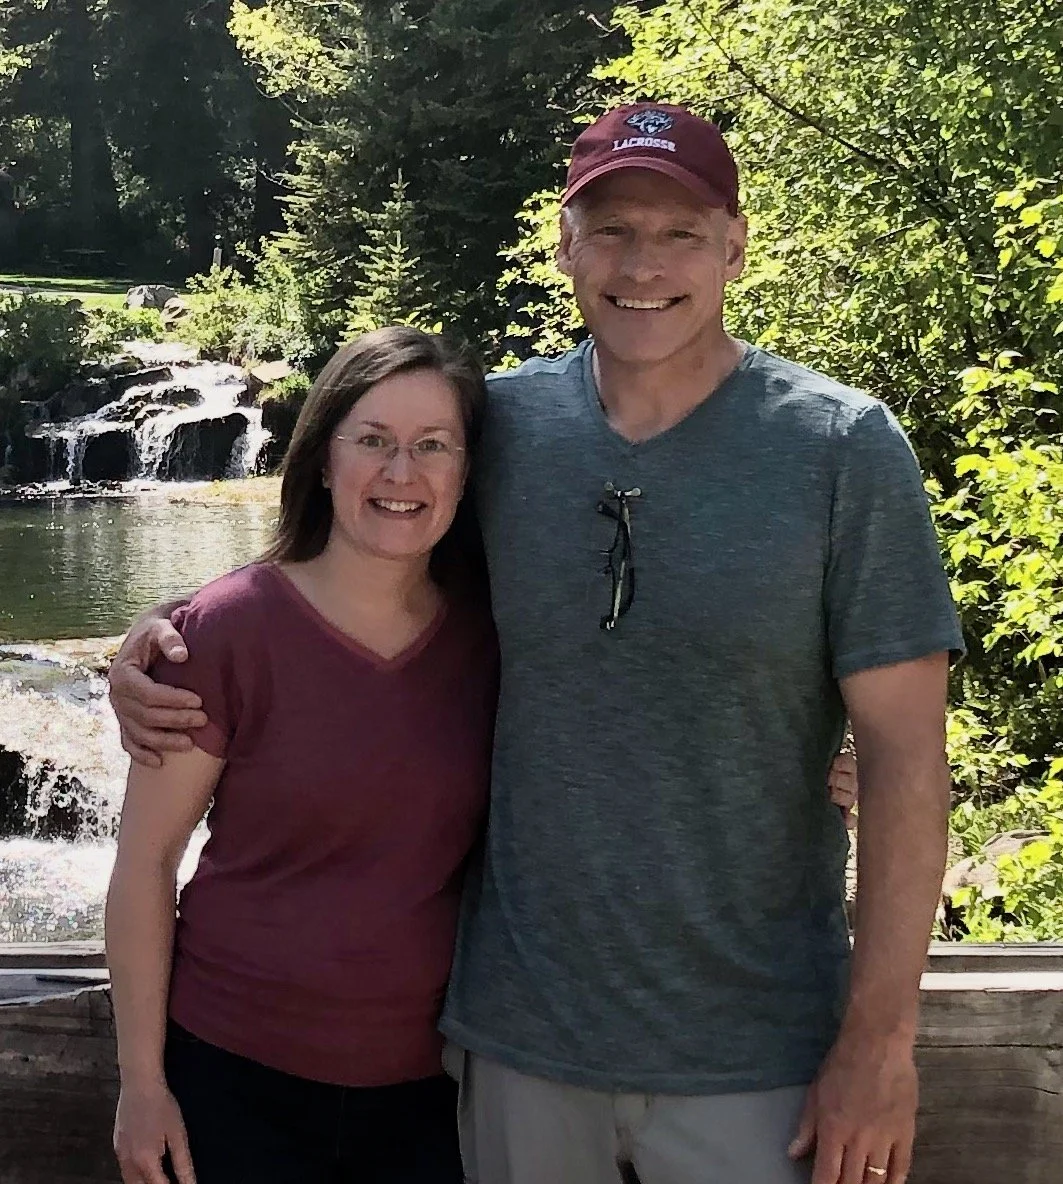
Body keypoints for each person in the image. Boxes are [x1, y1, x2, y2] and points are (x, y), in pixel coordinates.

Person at [109, 103, 958, 1184]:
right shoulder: (502, 429)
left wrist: (879, 1045)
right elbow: (361, 551)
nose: (640, 263)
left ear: (735, 247)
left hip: (760, 1057)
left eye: (678, 232)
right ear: (564, 246)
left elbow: (905, 763)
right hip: (514, 1051)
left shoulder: (842, 450)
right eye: (608, 229)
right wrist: (159, 636)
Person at [105, 327, 498, 1184]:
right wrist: (141, 1083)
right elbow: (144, 864)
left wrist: (824, 765)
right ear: (322, 460)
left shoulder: (496, 637)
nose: (402, 473)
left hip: (433, 1092)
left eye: (433, 445)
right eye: (372, 441)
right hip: (233, 1078)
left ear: (466, 474)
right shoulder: (224, 631)